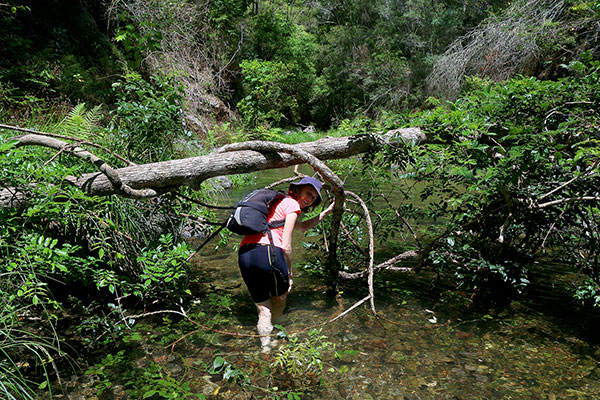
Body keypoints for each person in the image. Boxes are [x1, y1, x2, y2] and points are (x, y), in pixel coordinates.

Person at [237, 176, 334, 352]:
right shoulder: (292, 205)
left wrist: (326, 213)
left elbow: (302, 226)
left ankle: (265, 347)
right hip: (267, 253)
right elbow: (286, 246)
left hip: (245, 254)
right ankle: (274, 338)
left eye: (313, 197)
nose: (309, 199)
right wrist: (289, 274)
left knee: (264, 311)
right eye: (308, 193)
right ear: (296, 190)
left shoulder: (278, 203)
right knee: (280, 300)